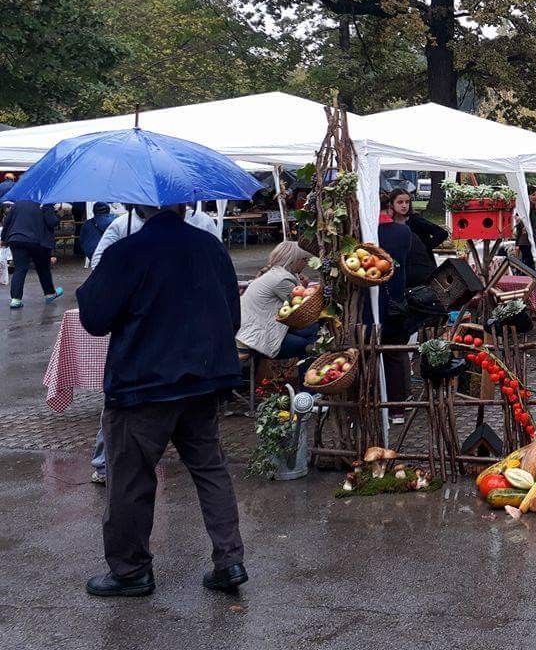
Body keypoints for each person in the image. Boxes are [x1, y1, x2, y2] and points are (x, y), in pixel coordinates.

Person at [77, 203, 247, 598]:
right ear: (185, 204)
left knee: (131, 479)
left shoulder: (128, 251)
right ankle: (230, 560)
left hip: (143, 385)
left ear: (138, 205)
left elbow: (94, 318)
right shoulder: (210, 246)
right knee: (210, 469)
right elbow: (232, 317)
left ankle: (131, 570)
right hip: (202, 380)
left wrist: (98, 285)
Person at [236, 242, 319, 359]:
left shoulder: (278, 273)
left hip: (252, 327)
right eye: (304, 260)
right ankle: (308, 366)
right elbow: (301, 307)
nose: (307, 263)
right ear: (293, 260)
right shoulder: (282, 279)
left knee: (311, 330)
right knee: (303, 344)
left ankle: (308, 361)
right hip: (255, 335)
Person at [376, 192, 417, 422]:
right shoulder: (403, 232)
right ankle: (398, 409)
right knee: (394, 353)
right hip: (396, 299)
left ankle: (371, 405)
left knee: (369, 354)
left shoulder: (368, 233)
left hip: (371, 303)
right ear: (390, 207)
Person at [1, 199, 62, 309]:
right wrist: (58, 214)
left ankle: (15, 300)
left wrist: (3, 239)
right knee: (43, 268)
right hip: (38, 241)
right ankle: (49, 294)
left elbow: (7, 222)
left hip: (17, 239)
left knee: (20, 268)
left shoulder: (18, 203)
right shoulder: (45, 203)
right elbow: (52, 222)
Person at [387, 188, 449, 283]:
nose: (404, 205)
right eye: (400, 202)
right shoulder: (389, 223)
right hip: (402, 267)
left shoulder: (415, 219)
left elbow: (442, 233)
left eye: (407, 202)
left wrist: (425, 247)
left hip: (422, 266)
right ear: (392, 204)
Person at [515, 185, 536, 270]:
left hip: (532, 240)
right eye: (533, 195)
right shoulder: (526, 208)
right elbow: (520, 225)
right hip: (526, 241)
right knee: (529, 266)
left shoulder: (532, 207)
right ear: (527, 195)